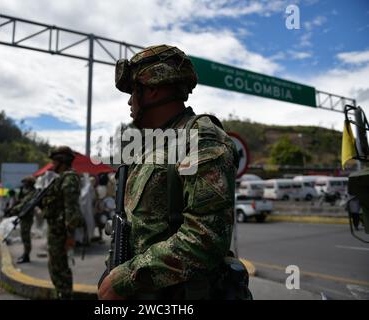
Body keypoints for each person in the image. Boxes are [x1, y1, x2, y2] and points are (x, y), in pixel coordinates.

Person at [98, 45, 239, 300]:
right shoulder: (152, 145)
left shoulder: (200, 139)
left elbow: (205, 239)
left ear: (151, 89)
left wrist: (127, 278)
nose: (130, 102)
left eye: (133, 92)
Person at [41, 146, 83, 299]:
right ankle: (61, 294)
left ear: (62, 161)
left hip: (61, 233)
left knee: (60, 268)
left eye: (54, 161)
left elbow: (71, 209)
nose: (52, 165)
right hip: (56, 230)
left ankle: (65, 295)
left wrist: (70, 235)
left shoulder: (69, 179)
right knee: (55, 266)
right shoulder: (61, 178)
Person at [5, 176, 37, 264]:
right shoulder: (26, 192)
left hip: (27, 217)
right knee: (24, 236)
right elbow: (20, 201)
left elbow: (24, 204)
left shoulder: (32, 193)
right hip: (24, 216)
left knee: (26, 237)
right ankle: (25, 254)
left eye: (25, 183)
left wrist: (12, 210)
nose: (23, 184)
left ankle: (26, 255)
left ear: (29, 183)